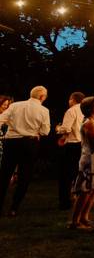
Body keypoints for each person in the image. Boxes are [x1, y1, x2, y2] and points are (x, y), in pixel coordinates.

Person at [0, 86, 50, 217]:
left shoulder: (15, 106)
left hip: (11, 142)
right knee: (24, 176)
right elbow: (45, 131)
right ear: (42, 97)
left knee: (4, 174)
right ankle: (14, 208)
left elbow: (1, 119)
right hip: (29, 143)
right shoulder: (44, 110)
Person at [70, 97, 94, 230]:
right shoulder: (89, 123)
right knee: (85, 191)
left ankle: (84, 217)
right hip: (90, 160)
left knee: (93, 191)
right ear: (91, 108)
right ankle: (75, 221)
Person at [56, 91, 85, 210]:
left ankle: (65, 202)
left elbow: (66, 129)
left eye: (69, 99)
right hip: (83, 145)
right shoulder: (85, 109)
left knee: (65, 175)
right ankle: (79, 199)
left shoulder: (71, 110)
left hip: (72, 145)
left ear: (72, 100)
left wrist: (58, 129)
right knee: (80, 173)